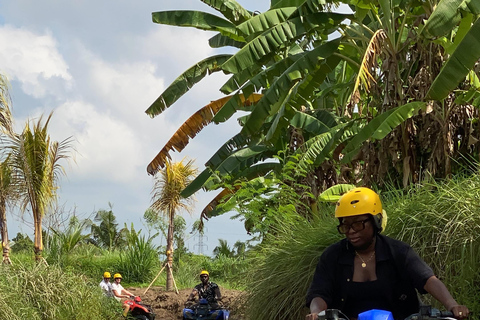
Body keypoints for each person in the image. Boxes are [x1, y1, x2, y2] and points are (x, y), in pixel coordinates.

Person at [306, 187, 469, 320]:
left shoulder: (399, 252)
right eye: (345, 225)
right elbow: (320, 293)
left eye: (358, 224)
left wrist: (452, 305)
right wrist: (316, 313)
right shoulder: (332, 256)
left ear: (375, 221)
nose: (351, 231)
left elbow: (427, 279)